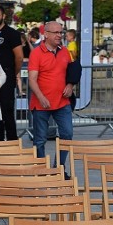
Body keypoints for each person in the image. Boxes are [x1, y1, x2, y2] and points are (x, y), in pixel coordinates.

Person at [27, 21, 76, 173]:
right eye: (55, 32)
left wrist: (70, 85)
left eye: (60, 32)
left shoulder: (65, 51)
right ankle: (42, 170)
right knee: (40, 139)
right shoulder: (36, 52)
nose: (59, 35)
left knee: (67, 134)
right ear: (46, 34)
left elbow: (72, 73)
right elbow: (32, 79)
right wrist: (41, 97)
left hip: (62, 102)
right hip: (41, 104)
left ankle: (59, 168)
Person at [0, 5, 23, 141]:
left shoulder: (12, 34)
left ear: (3, 16)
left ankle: (13, 142)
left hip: (7, 76)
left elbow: (19, 56)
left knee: (7, 112)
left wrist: (14, 73)